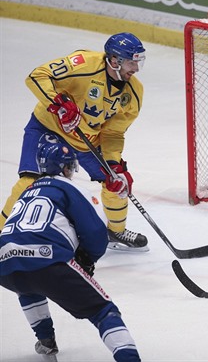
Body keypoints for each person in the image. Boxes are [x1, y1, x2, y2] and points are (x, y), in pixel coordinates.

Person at [0, 32, 148, 251]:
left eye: (138, 63)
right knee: (29, 182)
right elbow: (37, 76)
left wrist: (113, 163)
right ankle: (2, 231)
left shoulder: (134, 93)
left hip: (86, 140)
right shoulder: (83, 64)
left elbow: (113, 134)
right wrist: (57, 103)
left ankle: (115, 231)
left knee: (116, 181)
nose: (135, 69)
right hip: (47, 127)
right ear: (114, 60)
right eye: (130, 63)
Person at [0, 142, 141, 361]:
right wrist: (87, 259)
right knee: (104, 310)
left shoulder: (26, 192)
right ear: (68, 168)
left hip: (4, 265)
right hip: (49, 263)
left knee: (27, 284)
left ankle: (46, 340)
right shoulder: (68, 187)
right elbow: (96, 232)